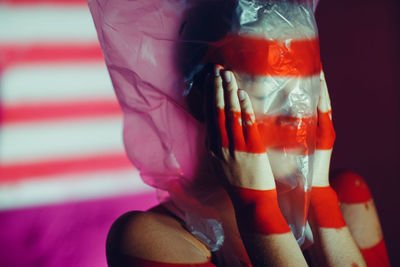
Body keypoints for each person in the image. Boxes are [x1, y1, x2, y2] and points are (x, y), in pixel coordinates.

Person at [105, 66, 390, 267]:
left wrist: (319, 198)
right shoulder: (148, 239)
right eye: (272, 93)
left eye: (306, 89)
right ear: (203, 102)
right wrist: (256, 205)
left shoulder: (346, 198)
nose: (297, 116)